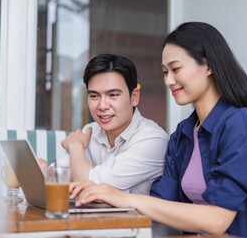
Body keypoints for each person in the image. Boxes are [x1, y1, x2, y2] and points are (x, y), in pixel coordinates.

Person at [69, 22, 247, 237]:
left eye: (175, 69)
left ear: (208, 66)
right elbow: (162, 203)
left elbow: (217, 220)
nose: (168, 80)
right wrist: (106, 198)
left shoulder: (239, 127)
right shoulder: (184, 134)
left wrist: (120, 197)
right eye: (165, 72)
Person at [40, 54, 168, 195]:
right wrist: (44, 171)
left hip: (136, 218)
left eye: (113, 95)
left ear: (134, 97)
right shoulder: (91, 131)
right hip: (94, 216)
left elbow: (93, 187)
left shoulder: (153, 141)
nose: (102, 106)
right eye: (94, 96)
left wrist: (75, 146)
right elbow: (55, 178)